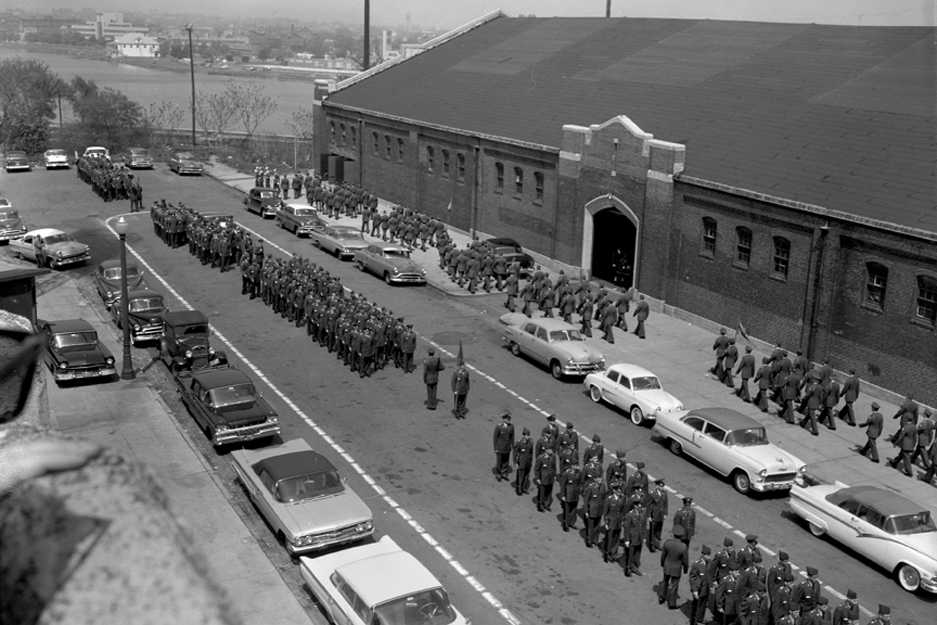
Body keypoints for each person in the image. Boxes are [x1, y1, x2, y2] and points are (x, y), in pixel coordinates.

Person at [658, 525, 689, 609]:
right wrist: (686, 569)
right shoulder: (683, 547)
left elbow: (663, 555)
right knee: (674, 586)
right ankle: (671, 603)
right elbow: (685, 561)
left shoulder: (668, 542)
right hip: (676, 568)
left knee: (665, 581)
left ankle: (662, 597)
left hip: (667, 566)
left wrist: (662, 563)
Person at [621, 492, 647, 576]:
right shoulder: (630, 515)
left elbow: (644, 525)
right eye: (638, 505)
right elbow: (627, 528)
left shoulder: (643, 513)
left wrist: (644, 536)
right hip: (632, 537)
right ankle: (628, 568)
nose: (640, 507)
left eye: (641, 505)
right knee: (630, 554)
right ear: (635, 506)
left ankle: (635, 568)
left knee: (637, 553)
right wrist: (627, 540)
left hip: (639, 537)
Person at [688, 544, 712, 625]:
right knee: (696, 606)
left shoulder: (709, 563)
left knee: (703, 605)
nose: (709, 557)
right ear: (703, 555)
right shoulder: (696, 564)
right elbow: (692, 578)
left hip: (706, 588)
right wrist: (694, 590)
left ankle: (700, 620)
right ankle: (693, 621)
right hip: (698, 589)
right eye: (707, 555)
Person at [602, 482, 626, 562]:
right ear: (614, 491)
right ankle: (608, 554)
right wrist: (606, 523)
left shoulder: (623, 498)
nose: (620, 492)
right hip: (611, 523)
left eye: (620, 491)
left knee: (616, 540)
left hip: (618, 523)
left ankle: (614, 555)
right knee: (610, 540)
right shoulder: (609, 499)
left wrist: (623, 520)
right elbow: (606, 512)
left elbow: (623, 510)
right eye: (618, 491)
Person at [557, 460, 582, 532]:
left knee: (574, 510)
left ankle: (572, 523)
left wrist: (579, 493)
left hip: (575, 494)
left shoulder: (579, 472)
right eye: (575, 465)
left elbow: (579, 483)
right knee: (567, 510)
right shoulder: (566, 473)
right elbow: (563, 485)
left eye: (577, 465)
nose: (576, 466)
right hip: (568, 494)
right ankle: (566, 524)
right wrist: (562, 495)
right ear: (572, 466)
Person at [582, 475, 606, 548]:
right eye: (598, 478)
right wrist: (586, 511)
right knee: (591, 526)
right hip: (592, 510)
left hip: (599, 509)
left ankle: (595, 540)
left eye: (601, 478)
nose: (600, 479)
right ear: (594, 479)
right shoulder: (590, 487)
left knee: (597, 526)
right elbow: (586, 500)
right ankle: (589, 541)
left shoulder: (603, 486)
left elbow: (603, 497)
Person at [646, 478, 668, 553]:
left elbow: (665, 504)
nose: (663, 488)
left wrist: (665, 513)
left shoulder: (664, 493)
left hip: (661, 515)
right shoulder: (652, 494)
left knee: (658, 531)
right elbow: (648, 505)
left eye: (663, 486)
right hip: (654, 515)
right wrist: (649, 516)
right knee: (653, 531)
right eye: (661, 486)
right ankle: (652, 546)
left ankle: (657, 544)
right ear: (657, 486)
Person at [492, 411, 514, 482]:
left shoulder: (511, 426)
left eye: (509, 419)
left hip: (507, 447)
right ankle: (498, 473)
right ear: (504, 419)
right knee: (499, 461)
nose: (509, 420)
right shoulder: (499, 427)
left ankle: (504, 472)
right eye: (508, 419)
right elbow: (495, 438)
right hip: (500, 447)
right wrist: (495, 448)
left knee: (506, 460)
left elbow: (512, 437)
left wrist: (512, 445)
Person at [533, 446, 556, 512]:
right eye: (549, 449)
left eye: (551, 449)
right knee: (542, 493)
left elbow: (554, 467)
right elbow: (537, 469)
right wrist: (537, 478)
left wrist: (554, 475)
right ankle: (541, 506)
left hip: (550, 478)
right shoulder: (541, 458)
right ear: (546, 450)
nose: (551, 451)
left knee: (549, 492)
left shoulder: (553, 456)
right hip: (543, 478)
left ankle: (547, 504)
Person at [512, 428, 534, 496]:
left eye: (528, 435)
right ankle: (519, 489)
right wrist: (515, 462)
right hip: (521, 462)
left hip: (528, 462)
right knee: (520, 476)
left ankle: (524, 488)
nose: (528, 437)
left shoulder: (531, 442)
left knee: (526, 476)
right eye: (527, 435)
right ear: (524, 435)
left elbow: (531, 453)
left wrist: (531, 461)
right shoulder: (519, 442)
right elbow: (515, 453)